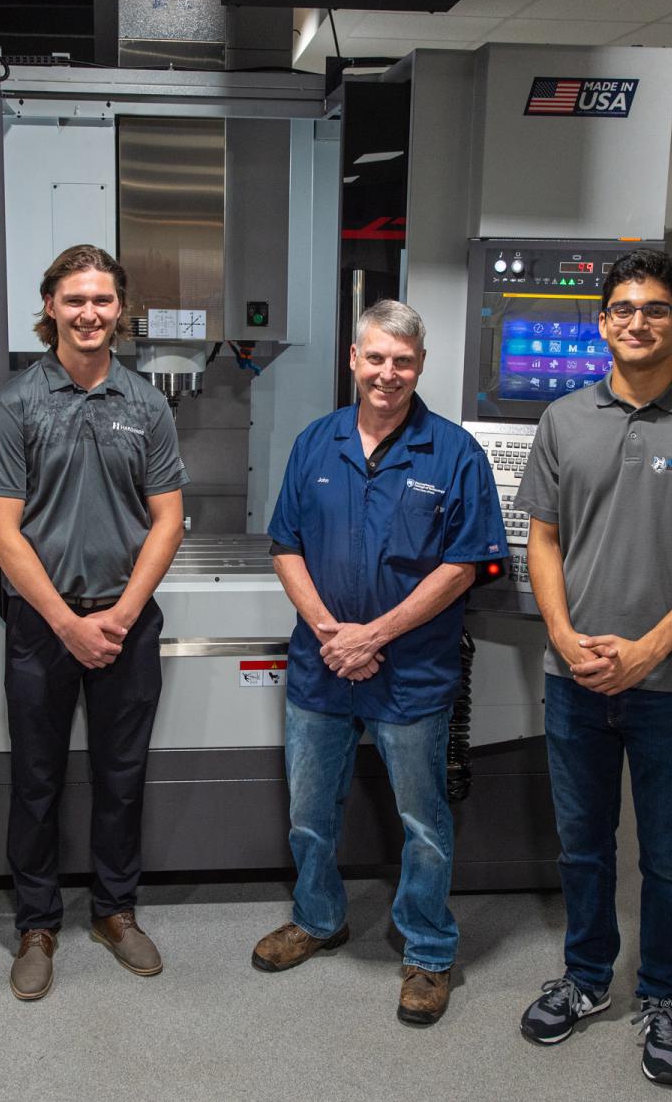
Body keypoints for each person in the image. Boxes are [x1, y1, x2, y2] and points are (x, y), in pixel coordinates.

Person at [512, 249, 672, 1086]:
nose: (638, 321)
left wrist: (650, 648)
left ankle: (663, 995)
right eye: (623, 308)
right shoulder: (564, 419)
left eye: (656, 308)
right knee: (583, 846)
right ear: (602, 323)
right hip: (577, 680)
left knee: (669, 855)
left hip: (671, 685)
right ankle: (588, 976)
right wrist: (563, 636)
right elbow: (543, 538)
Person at [251, 299, 508, 1028]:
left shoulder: (454, 453)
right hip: (322, 666)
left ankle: (428, 949)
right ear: (353, 360)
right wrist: (333, 633)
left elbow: (464, 565)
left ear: (419, 366)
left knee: (423, 821)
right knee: (309, 813)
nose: (387, 373)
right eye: (375, 358)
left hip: (413, 673)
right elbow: (286, 545)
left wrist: (376, 637)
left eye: (402, 361)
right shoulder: (317, 442)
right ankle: (317, 916)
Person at [0, 243, 187, 1001]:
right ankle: (37, 924)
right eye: (75, 299)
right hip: (43, 627)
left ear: (119, 309)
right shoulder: (17, 403)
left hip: (126, 624)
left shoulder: (147, 404)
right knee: (35, 780)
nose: (89, 313)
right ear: (50, 307)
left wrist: (121, 615)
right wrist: (67, 623)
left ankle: (113, 911)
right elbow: (1, 530)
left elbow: (168, 520)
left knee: (120, 778)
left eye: (102, 299)